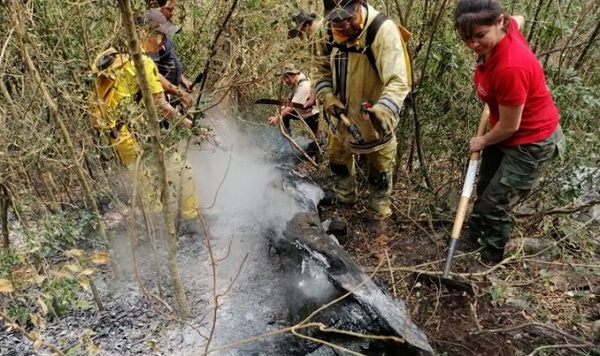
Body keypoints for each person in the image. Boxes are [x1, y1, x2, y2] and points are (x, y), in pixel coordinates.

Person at [454, 0, 565, 263]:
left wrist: (481, 140)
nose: (473, 45)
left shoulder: (511, 68)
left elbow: (510, 125)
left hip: (531, 142)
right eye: (467, 38)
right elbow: (520, 18)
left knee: (495, 205)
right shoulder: (507, 26)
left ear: (500, 23)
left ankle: (489, 259)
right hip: (504, 133)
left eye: (480, 36)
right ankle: (473, 240)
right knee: (485, 189)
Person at [90, 13, 200, 235]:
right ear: (146, 33)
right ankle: (188, 224)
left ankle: (157, 229)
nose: (162, 44)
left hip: (114, 133)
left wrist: (177, 90)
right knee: (181, 171)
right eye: (160, 36)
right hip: (132, 133)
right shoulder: (144, 63)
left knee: (145, 177)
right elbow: (163, 107)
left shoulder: (116, 55)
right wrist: (196, 128)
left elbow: (155, 79)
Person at [315, 0, 410, 234]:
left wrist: (385, 108)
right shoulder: (325, 31)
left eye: (349, 17)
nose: (344, 25)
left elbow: (398, 80)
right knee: (338, 160)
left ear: (360, 4)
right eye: (337, 20)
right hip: (340, 120)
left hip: (373, 122)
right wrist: (327, 96)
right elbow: (320, 70)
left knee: (379, 169)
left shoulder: (382, 30)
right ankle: (345, 198)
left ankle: (378, 214)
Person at [144, 7, 194, 116]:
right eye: (170, 9)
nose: (174, 13)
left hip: (173, 94)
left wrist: (182, 80)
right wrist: (181, 94)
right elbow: (154, 75)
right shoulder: (152, 44)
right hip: (162, 98)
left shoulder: (162, 38)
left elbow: (171, 59)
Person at [267, 64, 322, 157]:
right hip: (299, 111)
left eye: (287, 77)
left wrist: (277, 118)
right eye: (284, 78)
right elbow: (292, 102)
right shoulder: (297, 81)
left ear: (294, 74)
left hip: (311, 115)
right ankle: (286, 145)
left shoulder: (303, 86)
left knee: (315, 144)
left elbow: (292, 106)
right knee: (285, 116)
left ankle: (320, 148)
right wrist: (280, 113)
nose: (286, 81)